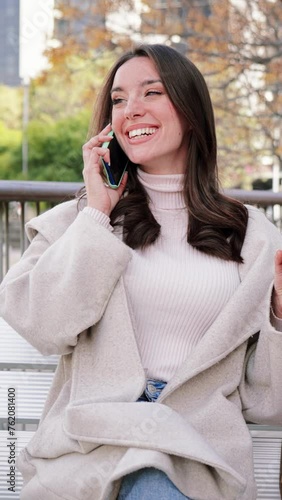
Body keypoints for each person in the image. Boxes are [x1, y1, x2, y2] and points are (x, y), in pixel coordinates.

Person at [1, 43, 282, 500]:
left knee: (156, 474)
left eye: (152, 92)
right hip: (97, 444)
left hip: (196, 448)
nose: (131, 109)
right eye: (118, 99)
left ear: (191, 111)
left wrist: (279, 315)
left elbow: (272, 402)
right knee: (148, 472)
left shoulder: (251, 237)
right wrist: (97, 212)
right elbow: (43, 325)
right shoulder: (78, 222)